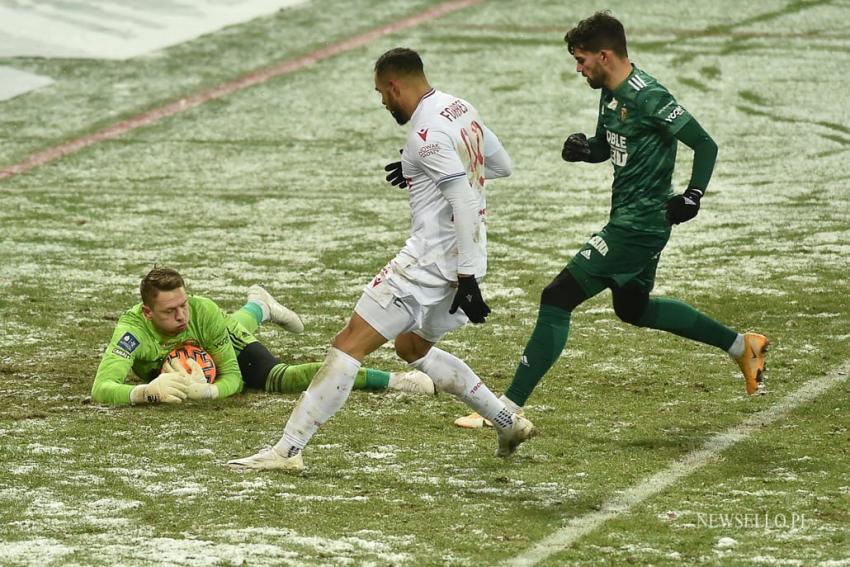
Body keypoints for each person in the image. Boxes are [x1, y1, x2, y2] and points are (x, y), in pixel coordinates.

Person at [455, 11, 769, 429]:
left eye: (582, 60)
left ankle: (505, 410)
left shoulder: (649, 96)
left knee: (556, 297)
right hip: (632, 220)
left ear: (605, 55)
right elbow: (610, 144)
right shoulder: (610, 90)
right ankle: (741, 345)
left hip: (638, 226)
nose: (578, 69)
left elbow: (705, 144)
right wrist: (587, 150)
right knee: (633, 309)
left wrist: (693, 196)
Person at [228, 47, 535, 473]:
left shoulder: (424, 133)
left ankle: (288, 451)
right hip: (470, 257)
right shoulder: (459, 108)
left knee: (348, 345)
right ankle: (506, 421)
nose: (382, 102)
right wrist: (422, 171)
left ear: (395, 85)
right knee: (412, 347)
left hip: (429, 265)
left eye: (381, 93)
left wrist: (465, 278)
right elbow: (499, 165)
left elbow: (463, 199)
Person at [91, 267, 435, 405]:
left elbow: (235, 378)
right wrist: (144, 392)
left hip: (220, 336)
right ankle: (260, 305)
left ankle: (395, 379)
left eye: (184, 305)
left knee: (276, 378)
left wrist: (207, 391)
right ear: (148, 313)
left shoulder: (204, 312)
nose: (182, 315)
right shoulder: (132, 333)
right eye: (169, 312)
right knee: (235, 325)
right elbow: (101, 388)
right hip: (210, 338)